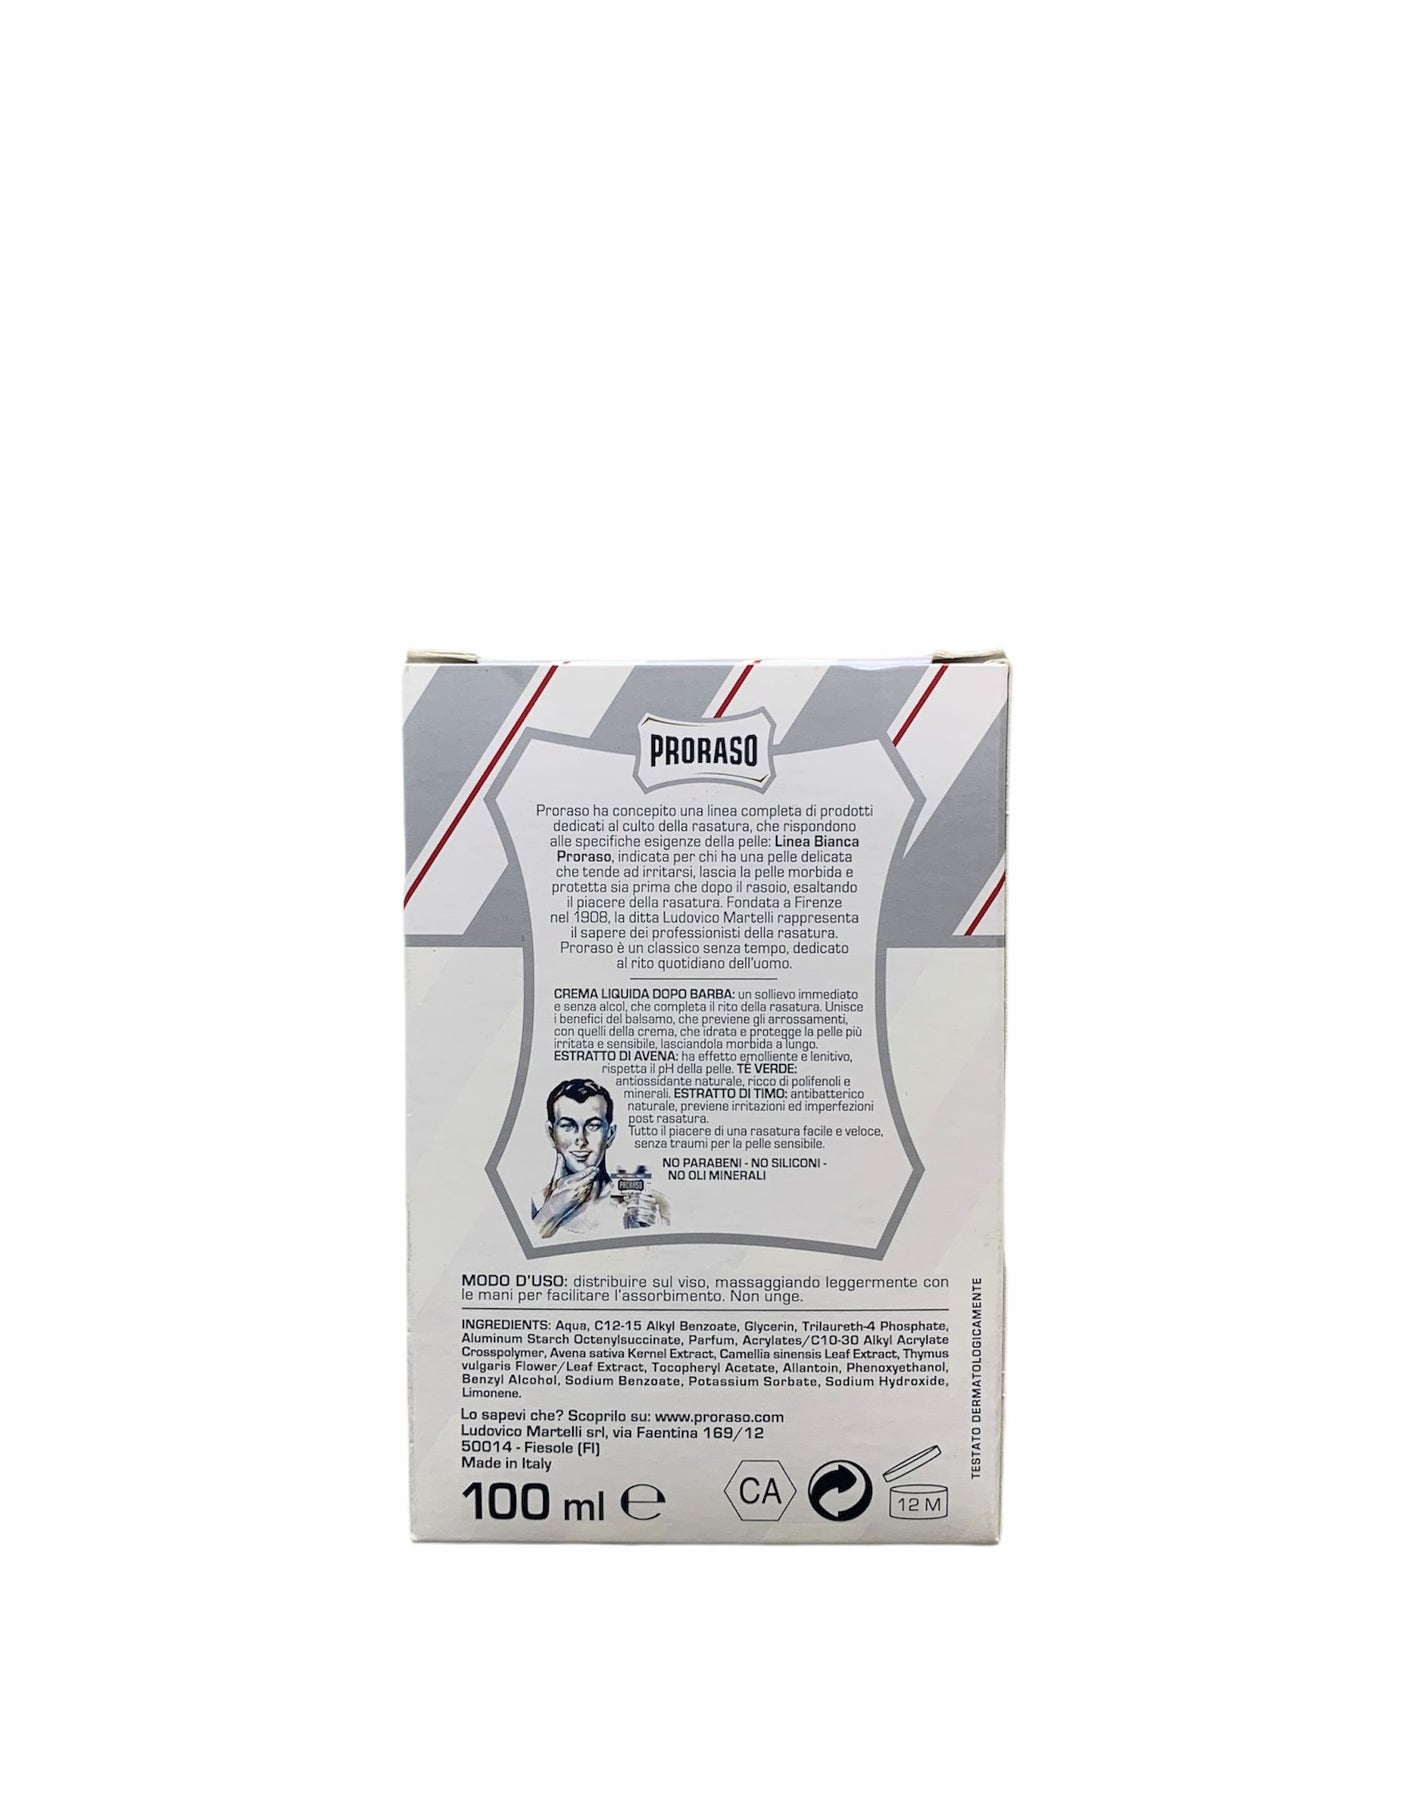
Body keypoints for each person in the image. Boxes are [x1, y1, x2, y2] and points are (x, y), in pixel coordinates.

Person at [533, 1077, 669, 1239]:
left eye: (593, 1126)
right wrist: (551, 1212)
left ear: (610, 1134)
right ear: (551, 1133)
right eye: (568, 1126)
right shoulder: (533, 1202)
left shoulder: (650, 1206)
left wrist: (644, 1232)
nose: (581, 1140)